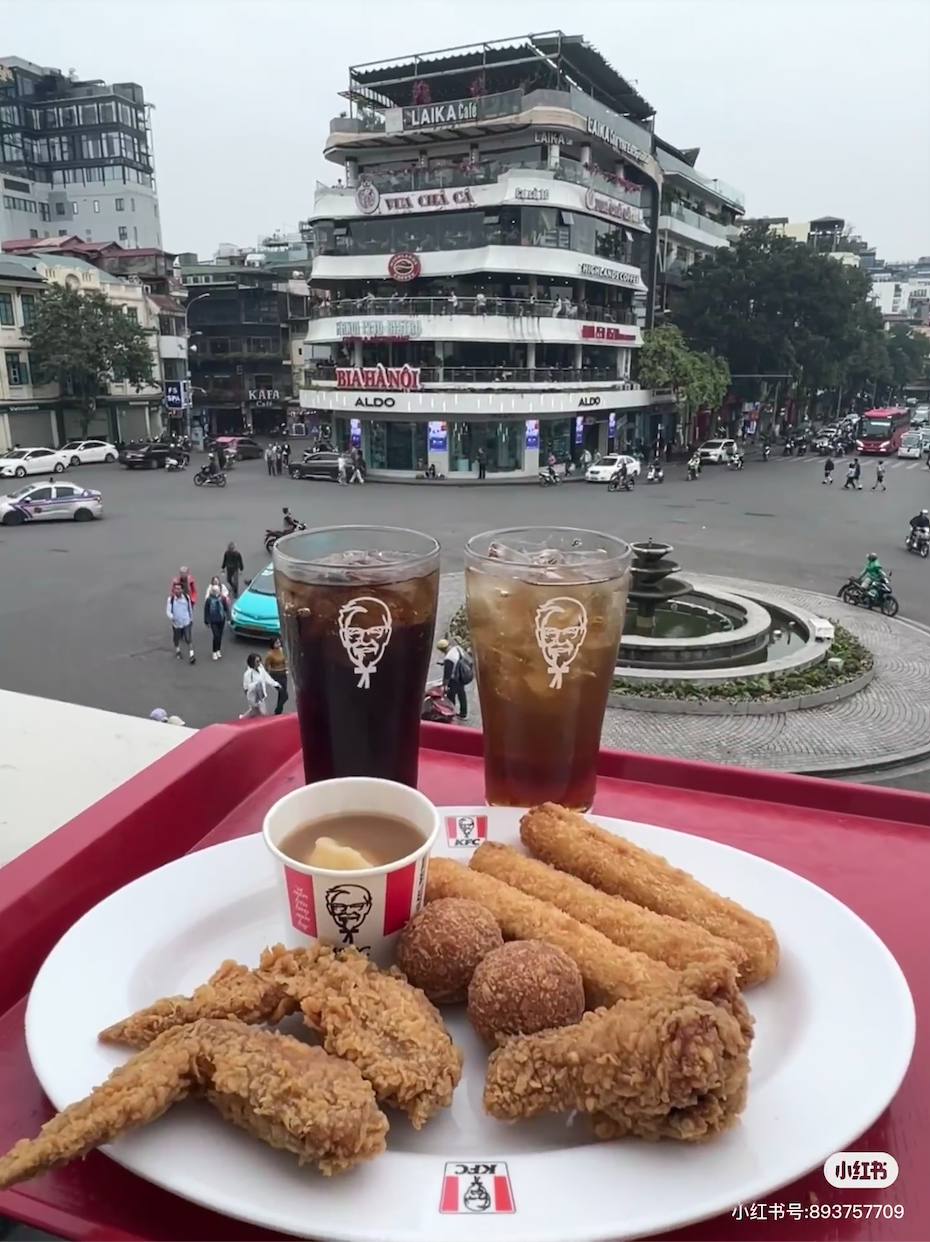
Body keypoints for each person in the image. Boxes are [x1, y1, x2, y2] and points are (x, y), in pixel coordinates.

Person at [436, 637, 468, 719]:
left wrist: (445, 685)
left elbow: (447, 674)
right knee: (462, 694)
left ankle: (450, 714)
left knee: (451, 696)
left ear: (442, 649)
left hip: (454, 679)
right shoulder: (457, 648)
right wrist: (444, 663)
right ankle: (463, 713)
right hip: (461, 675)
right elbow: (457, 659)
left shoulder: (448, 658)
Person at [240, 652, 279, 718]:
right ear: (252, 663)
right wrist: (255, 686)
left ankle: (243, 718)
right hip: (255, 698)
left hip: (261, 696)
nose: (259, 663)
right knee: (263, 714)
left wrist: (276, 684)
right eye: (257, 661)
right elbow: (246, 687)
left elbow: (266, 677)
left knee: (254, 712)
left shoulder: (261, 669)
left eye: (259, 661)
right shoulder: (248, 674)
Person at [167, 581, 196, 664]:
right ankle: (178, 650)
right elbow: (168, 611)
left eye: (179, 589)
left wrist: (191, 618)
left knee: (188, 638)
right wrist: (173, 617)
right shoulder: (171, 600)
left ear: (182, 590)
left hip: (186, 621)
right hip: (177, 624)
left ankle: (191, 655)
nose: (177, 590)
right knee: (177, 638)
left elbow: (189, 608)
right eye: (175, 589)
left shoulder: (186, 598)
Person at [264, 636, 289, 715]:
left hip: (283, 675)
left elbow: (284, 660)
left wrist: (285, 666)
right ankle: (278, 711)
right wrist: (280, 670)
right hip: (276, 676)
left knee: (281, 695)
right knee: (284, 695)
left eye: (279, 642)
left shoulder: (281, 650)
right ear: (273, 644)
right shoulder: (270, 655)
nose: (279, 644)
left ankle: (278, 712)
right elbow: (268, 668)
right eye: (277, 643)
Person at [203, 583, 228, 660]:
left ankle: (218, 650)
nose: (215, 592)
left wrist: (229, 617)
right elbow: (206, 611)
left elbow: (226, 608)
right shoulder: (209, 600)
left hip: (221, 619)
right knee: (216, 635)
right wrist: (206, 621)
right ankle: (214, 651)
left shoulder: (222, 599)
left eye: (216, 590)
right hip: (213, 620)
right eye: (213, 590)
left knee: (220, 635)